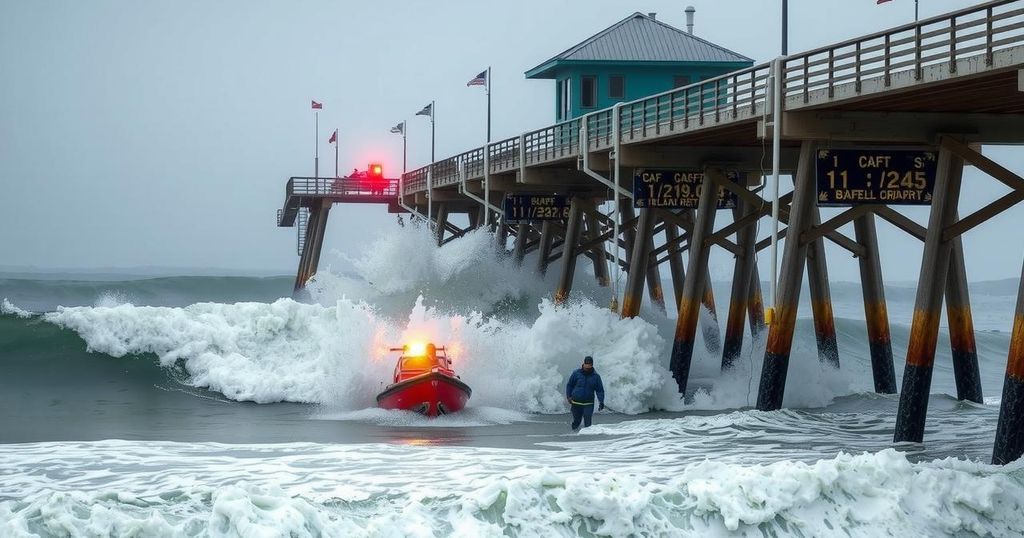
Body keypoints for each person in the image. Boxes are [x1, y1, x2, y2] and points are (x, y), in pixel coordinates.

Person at [565, 356, 605, 431]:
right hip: (576, 402)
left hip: (588, 403)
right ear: (583, 364)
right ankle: (573, 437)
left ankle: (588, 440)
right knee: (577, 421)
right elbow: (570, 385)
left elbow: (600, 390)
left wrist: (601, 401)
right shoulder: (576, 373)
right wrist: (568, 396)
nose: (587, 368)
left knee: (588, 422)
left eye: (589, 367)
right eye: (586, 366)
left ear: (592, 365)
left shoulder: (596, 376)